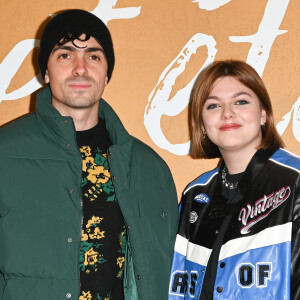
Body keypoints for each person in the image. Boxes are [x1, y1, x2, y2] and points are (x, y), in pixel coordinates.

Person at [0, 9, 179, 300]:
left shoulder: (150, 167)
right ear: (45, 71)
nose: (80, 68)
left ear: (107, 73)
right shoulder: (4, 155)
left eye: (93, 56)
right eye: (65, 55)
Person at [168, 60, 300, 299]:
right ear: (202, 125)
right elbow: (178, 286)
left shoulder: (295, 180)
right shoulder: (195, 194)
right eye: (213, 105)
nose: (227, 113)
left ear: (263, 114)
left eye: (241, 101)